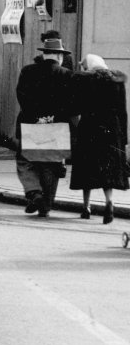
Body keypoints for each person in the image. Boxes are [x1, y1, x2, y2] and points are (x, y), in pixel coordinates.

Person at [15, 36, 76, 217]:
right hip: (57, 125)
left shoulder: (27, 71)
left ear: (44, 54)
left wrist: (36, 115)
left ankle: (34, 192)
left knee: (25, 160)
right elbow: (72, 103)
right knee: (52, 163)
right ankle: (46, 205)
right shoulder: (66, 74)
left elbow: (22, 96)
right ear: (59, 56)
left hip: (31, 123)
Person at [69, 53, 128, 223]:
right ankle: (109, 202)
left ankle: (86, 207)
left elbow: (76, 105)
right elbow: (122, 111)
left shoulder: (84, 80)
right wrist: (123, 137)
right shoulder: (116, 80)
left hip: (89, 128)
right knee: (107, 170)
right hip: (112, 130)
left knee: (86, 168)